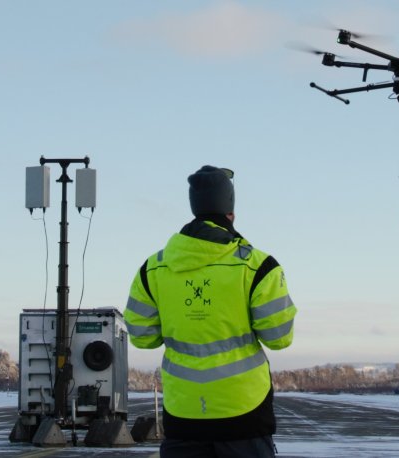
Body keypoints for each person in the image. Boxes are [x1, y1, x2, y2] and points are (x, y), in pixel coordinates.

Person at [124, 165, 297, 457]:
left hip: (184, 411)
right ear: (231, 213)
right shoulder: (258, 266)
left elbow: (143, 337)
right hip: (244, 411)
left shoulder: (152, 269)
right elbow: (279, 338)